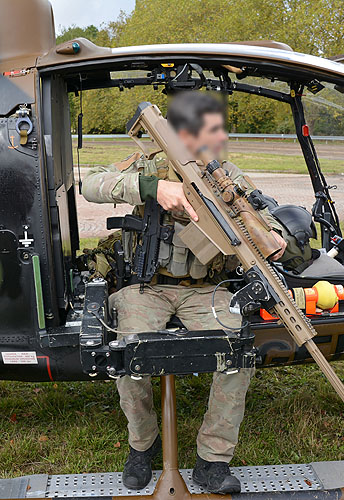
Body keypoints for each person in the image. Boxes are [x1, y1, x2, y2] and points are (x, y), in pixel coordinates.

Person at [81, 91, 287, 494]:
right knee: (128, 353)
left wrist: (273, 238)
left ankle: (213, 458)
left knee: (237, 353)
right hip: (147, 287)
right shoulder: (148, 164)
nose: (218, 137)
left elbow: (260, 219)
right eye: (209, 129)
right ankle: (143, 445)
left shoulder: (226, 175)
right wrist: (151, 187)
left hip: (206, 290)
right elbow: (91, 183)